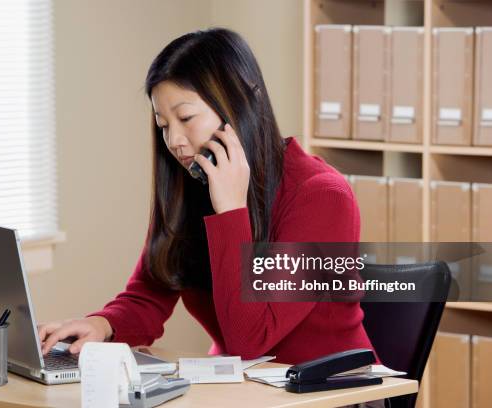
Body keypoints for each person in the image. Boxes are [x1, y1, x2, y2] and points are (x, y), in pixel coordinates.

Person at [38, 28, 377, 368]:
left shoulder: (322, 197)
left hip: (332, 393)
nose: (174, 140)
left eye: (185, 118)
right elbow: (151, 292)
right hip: (242, 387)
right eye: (163, 124)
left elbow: (251, 340)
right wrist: (102, 325)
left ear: (242, 101)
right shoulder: (195, 184)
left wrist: (230, 212)